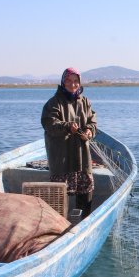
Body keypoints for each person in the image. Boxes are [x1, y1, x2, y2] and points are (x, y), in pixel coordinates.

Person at [41, 67, 97, 218]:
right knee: (60, 195)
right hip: (62, 157)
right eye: (69, 81)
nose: (73, 85)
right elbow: (49, 124)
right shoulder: (54, 103)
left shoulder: (85, 102)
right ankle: (58, 226)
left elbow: (92, 122)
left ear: (79, 83)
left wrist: (89, 131)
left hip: (82, 156)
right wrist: (67, 126)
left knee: (85, 193)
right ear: (63, 82)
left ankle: (84, 222)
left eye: (76, 81)